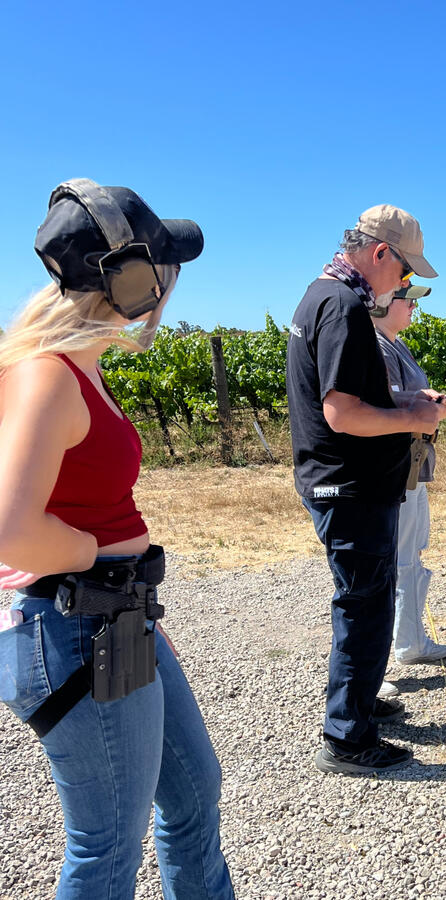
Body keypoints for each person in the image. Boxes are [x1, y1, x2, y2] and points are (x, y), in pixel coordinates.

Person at [0, 179, 235, 899]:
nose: (170, 281)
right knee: (104, 848)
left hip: (115, 618)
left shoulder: (77, 368)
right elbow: (10, 530)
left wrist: (131, 597)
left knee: (194, 793)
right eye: (162, 264)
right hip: (78, 625)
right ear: (131, 279)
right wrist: (87, 559)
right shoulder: (48, 375)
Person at [287, 204, 446, 775]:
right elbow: (343, 413)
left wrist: (409, 402)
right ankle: (347, 738)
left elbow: (354, 398)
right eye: (405, 271)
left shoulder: (323, 295)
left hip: (344, 484)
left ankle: (358, 700)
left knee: (367, 601)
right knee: (364, 607)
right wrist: (412, 418)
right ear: (381, 253)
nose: (403, 284)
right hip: (349, 486)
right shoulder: (343, 306)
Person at [372, 283, 446, 665]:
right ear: (384, 303)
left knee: (412, 549)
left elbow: (421, 411)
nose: (413, 307)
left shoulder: (396, 345)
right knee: (402, 555)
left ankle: (411, 639)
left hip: (413, 465)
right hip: (397, 466)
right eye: (408, 300)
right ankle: (405, 645)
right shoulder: (378, 349)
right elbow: (392, 414)